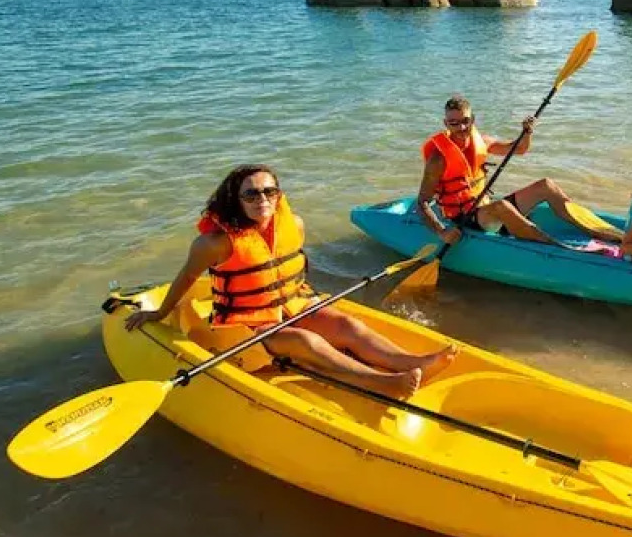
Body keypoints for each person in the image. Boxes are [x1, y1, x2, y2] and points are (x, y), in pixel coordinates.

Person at [125, 164, 455, 399]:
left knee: (346, 324)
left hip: (290, 307)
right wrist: (158, 313)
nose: (261, 199)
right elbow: (186, 278)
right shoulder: (214, 244)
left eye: (269, 191)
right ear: (235, 199)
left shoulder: (293, 224)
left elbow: (287, 273)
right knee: (305, 342)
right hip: (244, 326)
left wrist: (308, 307)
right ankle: (382, 383)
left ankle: (413, 363)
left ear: (278, 193)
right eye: (251, 194)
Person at [414, 94, 617, 248]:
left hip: (484, 209)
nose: (461, 127)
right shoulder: (438, 159)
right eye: (454, 123)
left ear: (472, 119)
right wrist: (442, 232)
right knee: (502, 206)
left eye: (465, 121)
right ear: (446, 124)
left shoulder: (481, 141)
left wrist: (526, 133)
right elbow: (422, 202)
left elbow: (519, 149)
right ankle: (556, 247)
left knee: (546, 185)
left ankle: (595, 230)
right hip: (463, 219)